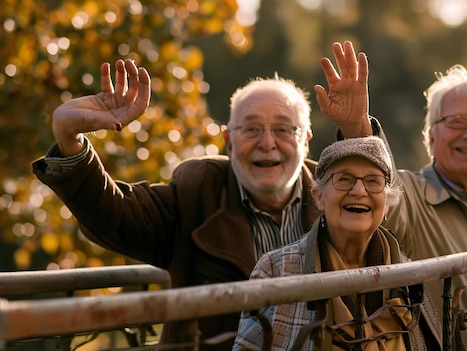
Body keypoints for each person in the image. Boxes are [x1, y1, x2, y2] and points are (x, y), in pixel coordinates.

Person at [31, 42, 371, 351]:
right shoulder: (196, 191)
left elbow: (383, 212)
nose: (267, 143)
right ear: (228, 140)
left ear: (306, 140)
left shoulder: (335, 194)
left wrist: (357, 131)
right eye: (250, 128)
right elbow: (113, 214)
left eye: (283, 129)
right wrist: (68, 137)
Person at [320, 60, 467, 349]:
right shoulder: (410, 195)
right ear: (431, 134)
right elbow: (381, 191)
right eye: (457, 121)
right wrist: (357, 127)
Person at [233, 136, 442, 351]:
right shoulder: (276, 269)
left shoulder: (409, 278)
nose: (359, 191)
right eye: (343, 179)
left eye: (373, 181)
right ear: (318, 197)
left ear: (387, 203)